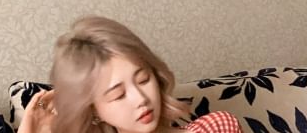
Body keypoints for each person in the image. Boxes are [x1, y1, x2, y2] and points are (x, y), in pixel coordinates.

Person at [20, 16, 242, 133]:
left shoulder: (217, 126)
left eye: (143, 80)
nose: (141, 99)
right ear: (93, 109)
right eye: (118, 95)